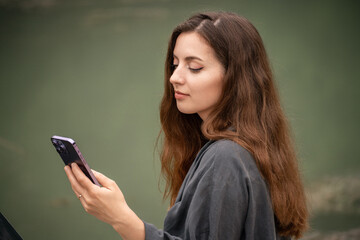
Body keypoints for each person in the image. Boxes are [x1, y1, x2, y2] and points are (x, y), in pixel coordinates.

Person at [64, 11, 308, 240]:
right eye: (175, 64)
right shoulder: (244, 148)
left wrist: (121, 219)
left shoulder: (227, 157)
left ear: (236, 79)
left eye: (194, 67)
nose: (174, 77)